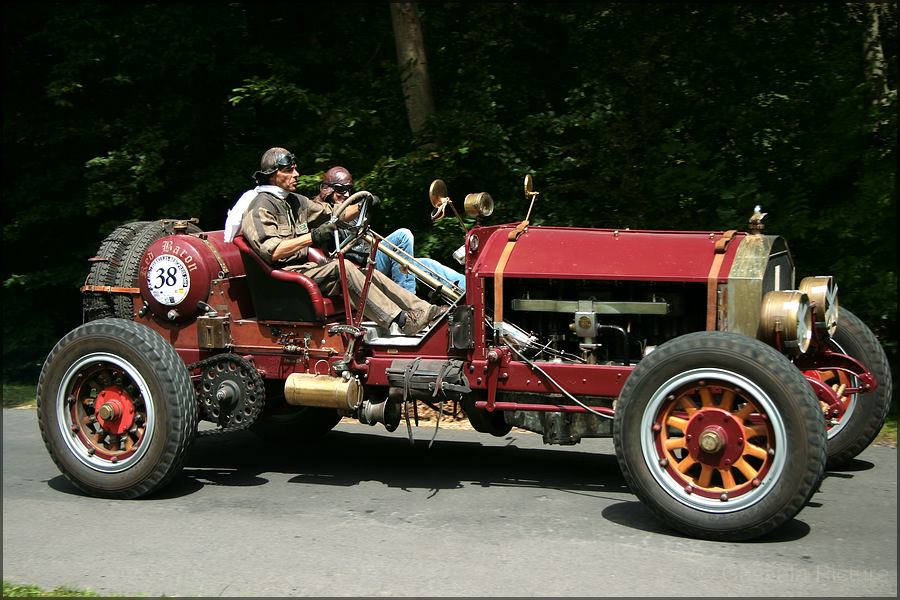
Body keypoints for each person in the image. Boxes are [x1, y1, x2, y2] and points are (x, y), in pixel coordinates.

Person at [238, 147, 446, 335]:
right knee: (343, 266)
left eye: (295, 169)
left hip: (307, 269)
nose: (297, 174)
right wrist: (313, 236)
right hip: (285, 278)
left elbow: (332, 213)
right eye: (290, 170)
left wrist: (364, 204)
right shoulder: (260, 207)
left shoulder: (295, 201)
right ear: (274, 174)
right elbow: (273, 251)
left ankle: (424, 311)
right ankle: (401, 321)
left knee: (366, 272)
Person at [312, 166, 466, 294]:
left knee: (425, 265)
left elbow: (362, 234)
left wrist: (366, 211)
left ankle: (473, 290)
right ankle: (409, 305)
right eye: (341, 189)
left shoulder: (348, 208)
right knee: (403, 235)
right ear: (327, 189)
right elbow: (326, 226)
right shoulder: (319, 211)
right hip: (353, 267)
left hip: (369, 258)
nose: (346, 194)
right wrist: (359, 208)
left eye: (349, 189)